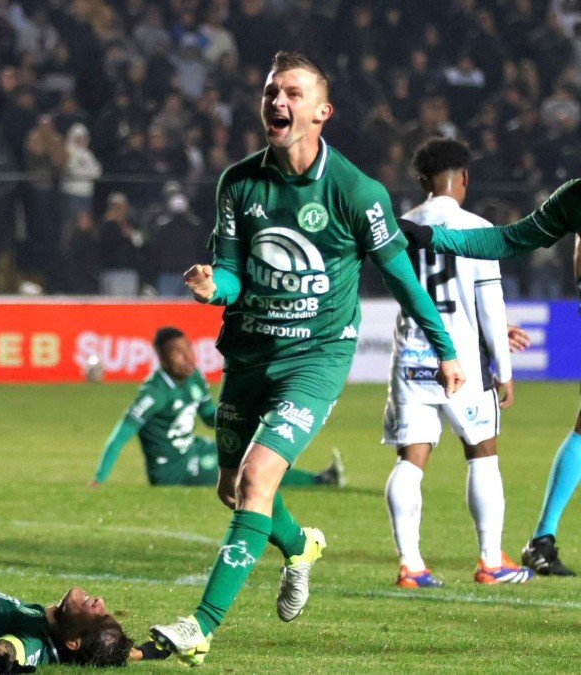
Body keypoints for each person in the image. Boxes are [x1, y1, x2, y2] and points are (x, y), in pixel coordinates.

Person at [150, 52, 464, 666]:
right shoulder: (238, 183)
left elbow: (402, 278)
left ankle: (201, 624)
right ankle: (300, 546)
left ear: (322, 112)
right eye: (271, 92)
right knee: (233, 490)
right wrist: (218, 284)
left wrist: (446, 349)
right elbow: (238, 276)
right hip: (247, 354)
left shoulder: (356, 192)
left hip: (316, 359)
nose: (277, 102)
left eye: (291, 92)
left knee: (258, 479)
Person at [401, 178, 581, 577]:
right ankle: (543, 539)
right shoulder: (575, 197)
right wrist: (433, 237)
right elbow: (506, 241)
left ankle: (542, 539)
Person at [383, 138, 532, 589]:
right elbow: (490, 306)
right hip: (462, 359)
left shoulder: (399, 227)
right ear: (464, 178)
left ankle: (411, 565)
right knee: (482, 454)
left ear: (422, 181)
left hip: (411, 353)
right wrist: (503, 372)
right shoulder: (476, 227)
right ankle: (491, 561)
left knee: (411, 460)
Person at [90, 326, 344, 488]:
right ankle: (319, 481)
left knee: (248, 457)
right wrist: (98, 480)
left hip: (192, 450)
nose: (189, 356)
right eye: (178, 353)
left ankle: (318, 479)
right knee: (245, 471)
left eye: (188, 348)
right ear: (163, 359)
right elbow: (120, 435)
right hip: (172, 471)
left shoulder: (194, 378)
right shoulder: (154, 393)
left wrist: (244, 414)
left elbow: (209, 417)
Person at [0, 586, 138, 671]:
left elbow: (9, 650)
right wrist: (145, 652)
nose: (101, 601)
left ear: (73, 641)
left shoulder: (35, 638)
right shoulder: (49, 630)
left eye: (100, 617)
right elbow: (101, 656)